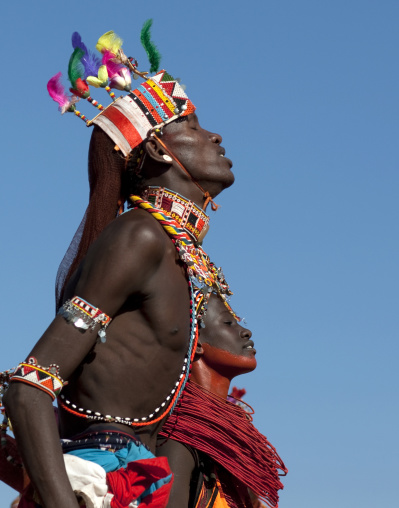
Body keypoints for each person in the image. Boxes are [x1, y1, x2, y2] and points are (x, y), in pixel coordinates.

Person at [2, 24, 239, 508]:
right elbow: (29, 387)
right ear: (157, 149)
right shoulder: (140, 235)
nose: (213, 134)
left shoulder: (180, 252)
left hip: (151, 480)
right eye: (190, 127)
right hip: (108, 482)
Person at [158, 294, 287, 508]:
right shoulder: (179, 435)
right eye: (228, 323)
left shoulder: (224, 441)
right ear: (197, 343)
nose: (246, 332)